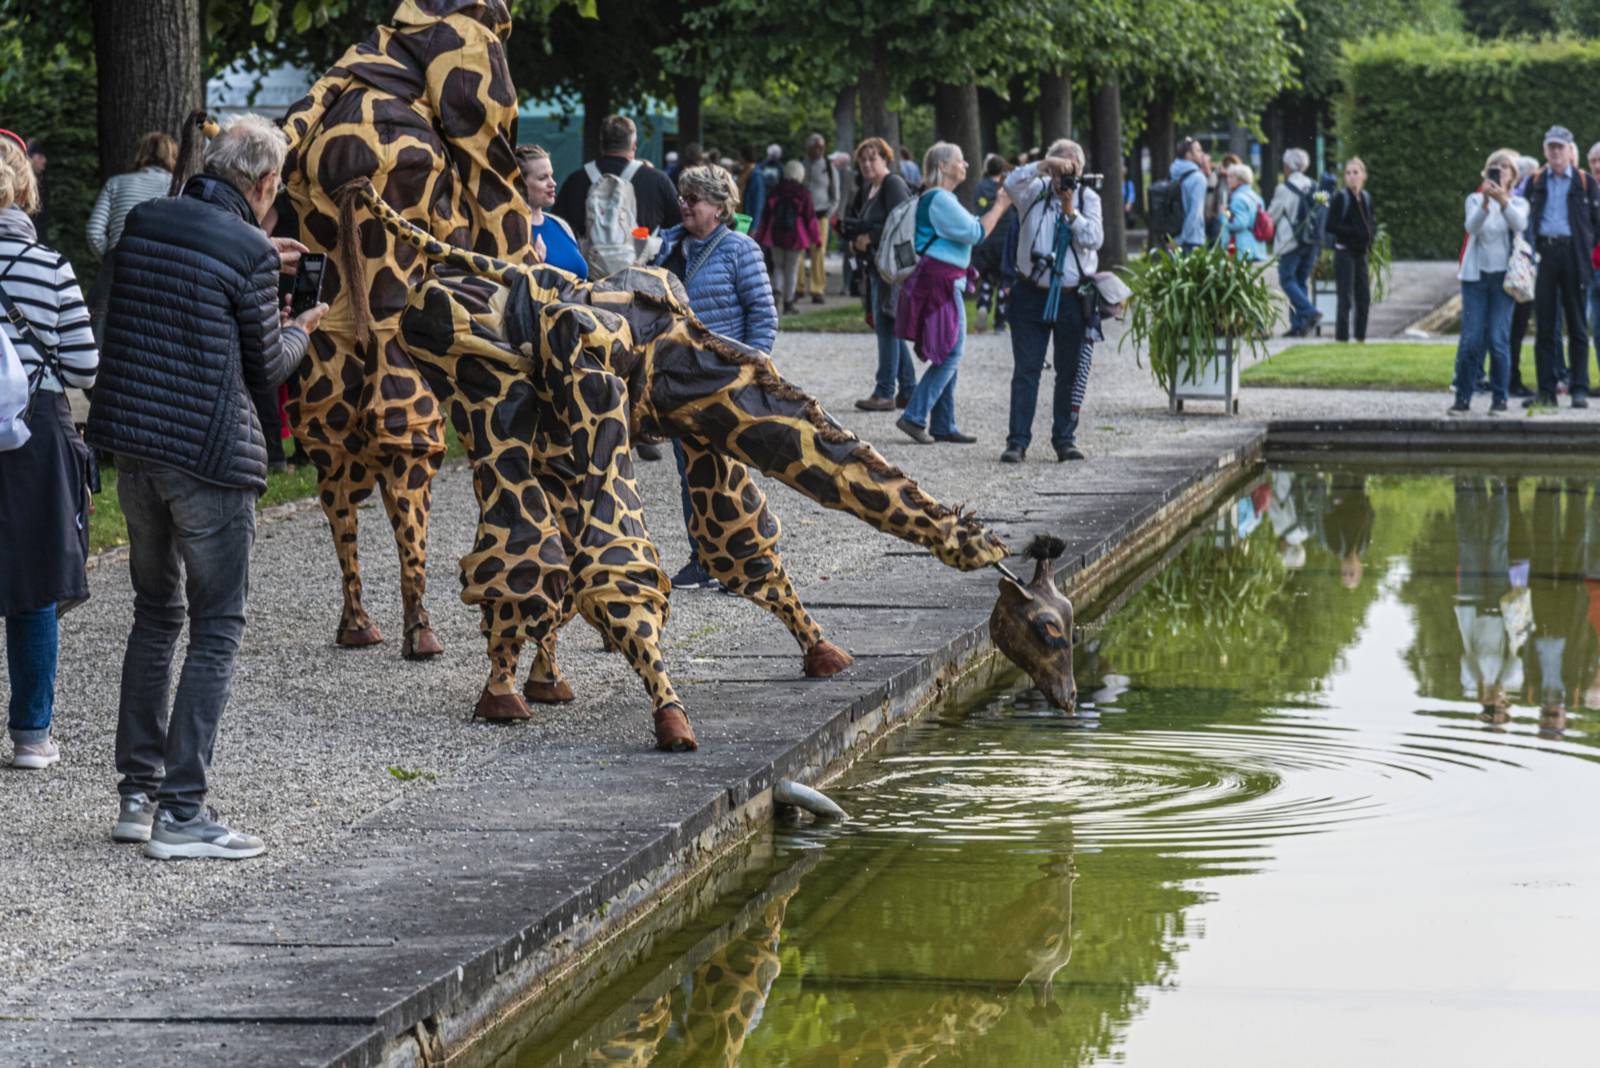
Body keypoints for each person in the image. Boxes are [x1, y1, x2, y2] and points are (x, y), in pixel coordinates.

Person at [86, 115, 327, 860]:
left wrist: (261, 262)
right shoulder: (251, 248)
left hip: (135, 451)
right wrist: (305, 324)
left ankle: (138, 796)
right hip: (210, 459)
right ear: (262, 185)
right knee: (216, 625)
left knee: (156, 615)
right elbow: (267, 368)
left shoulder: (148, 219)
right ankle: (183, 814)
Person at [0, 138, 98, 771]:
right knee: (34, 586)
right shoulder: (50, 267)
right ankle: (32, 737)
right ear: (24, 192)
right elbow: (86, 363)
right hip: (33, 434)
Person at [651, 164, 776, 589]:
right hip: (677, 380)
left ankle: (749, 557)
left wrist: (752, 369)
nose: (683, 205)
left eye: (693, 199)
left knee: (728, 473)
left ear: (720, 208)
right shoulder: (669, 245)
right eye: (682, 197)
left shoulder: (740, 249)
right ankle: (702, 559)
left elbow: (763, 314)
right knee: (691, 472)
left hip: (724, 380)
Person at [894, 142, 1012, 447]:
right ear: (943, 166)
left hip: (943, 279)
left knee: (948, 350)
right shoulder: (939, 199)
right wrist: (1000, 205)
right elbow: (976, 233)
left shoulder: (943, 199)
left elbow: (972, 226)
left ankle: (943, 423)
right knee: (952, 352)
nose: (966, 166)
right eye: (960, 161)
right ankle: (915, 416)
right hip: (941, 282)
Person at [999, 139, 1103, 464]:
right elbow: (1009, 182)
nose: (1064, 174)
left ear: (1081, 171)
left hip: (1072, 297)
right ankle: (1017, 442)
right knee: (1026, 369)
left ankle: (1064, 439)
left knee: (1068, 371)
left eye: (1071, 168)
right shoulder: (1033, 191)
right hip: (1030, 293)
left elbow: (1094, 239)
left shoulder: (1088, 198)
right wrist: (1044, 167)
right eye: (1060, 166)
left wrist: (1071, 211)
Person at [1525, 126, 1600, 409]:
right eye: (1551, 147)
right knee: (1545, 326)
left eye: (1561, 147)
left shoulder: (1584, 182)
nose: (1556, 152)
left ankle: (1579, 388)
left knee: (1578, 326)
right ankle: (1546, 389)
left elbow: (1597, 224)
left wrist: (1584, 252)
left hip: (1573, 256)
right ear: (1545, 151)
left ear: (1570, 151)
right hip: (1544, 254)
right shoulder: (1536, 181)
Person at [1450, 148, 1527, 416]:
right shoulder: (1474, 199)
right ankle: (1462, 395)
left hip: (1503, 280)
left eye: (1505, 167)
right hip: (1476, 278)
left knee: (1498, 339)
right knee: (1471, 339)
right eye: (1495, 166)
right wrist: (1485, 203)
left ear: (1513, 175)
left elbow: (1519, 223)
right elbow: (1472, 227)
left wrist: (1503, 201)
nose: (1500, 170)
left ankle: (1500, 397)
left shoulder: (1518, 202)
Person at [841, 138, 915, 411]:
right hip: (875, 266)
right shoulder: (867, 189)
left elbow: (903, 220)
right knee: (887, 325)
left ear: (886, 159)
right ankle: (908, 389)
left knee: (886, 326)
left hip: (891, 268)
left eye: (874, 158)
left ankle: (885, 391)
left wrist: (869, 237)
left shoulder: (892, 184)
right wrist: (854, 239)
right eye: (863, 160)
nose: (868, 164)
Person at [86, 131, 177, 348]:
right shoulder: (177, 187)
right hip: (160, 261)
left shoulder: (116, 183)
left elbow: (94, 230)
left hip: (119, 258)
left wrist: (110, 256)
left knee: (103, 321)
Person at [552, 114, 682, 237]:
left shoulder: (575, 181)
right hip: (645, 260)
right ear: (634, 146)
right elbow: (678, 226)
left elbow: (558, 227)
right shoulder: (658, 180)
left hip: (588, 260)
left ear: (601, 145)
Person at [754, 159, 821, 315]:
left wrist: (760, 236)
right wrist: (816, 239)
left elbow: (765, 216)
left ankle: (776, 294)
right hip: (796, 237)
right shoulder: (803, 193)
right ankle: (788, 303)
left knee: (777, 267)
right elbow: (810, 218)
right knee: (792, 269)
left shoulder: (776, 191)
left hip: (775, 235)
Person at [1268, 147, 1321, 337]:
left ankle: (1308, 311)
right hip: (1311, 241)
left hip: (1291, 241)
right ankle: (1299, 326)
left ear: (1287, 166)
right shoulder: (1314, 185)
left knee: (1287, 279)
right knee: (1300, 281)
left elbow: (1272, 216)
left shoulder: (1284, 188)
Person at [516, 144, 587, 279]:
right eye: (543, 178)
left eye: (551, 176)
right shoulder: (512, 231)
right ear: (519, 183)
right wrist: (535, 266)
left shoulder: (560, 225)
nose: (553, 183)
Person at [1326, 157, 1375, 343]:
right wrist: (1354, 233)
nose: (1352, 176)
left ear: (1363, 175)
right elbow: (1331, 225)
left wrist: (1370, 236)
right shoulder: (1341, 198)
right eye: (1348, 173)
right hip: (1344, 251)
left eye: (1356, 172)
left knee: (1364, 296)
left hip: (1361, 252)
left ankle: (1361, 336)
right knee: (1345, 297)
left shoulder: (1366, 198)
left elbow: (1371, 221)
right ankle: (1342, 338)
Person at [1509, 153, 1541, 397]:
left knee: (1515, 328)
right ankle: (1510, 379)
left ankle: (1511, 378)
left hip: (1522, 268)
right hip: (1518, 269)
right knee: (1513, 328)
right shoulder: (1522, 199)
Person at [801, 133, 837, 304]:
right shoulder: (802, 165)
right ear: (808, 148)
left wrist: (830, 212)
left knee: (819, 252)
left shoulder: (829, 166)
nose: (819, 150)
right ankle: (798, 287)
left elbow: (836, 195)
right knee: (798, 252)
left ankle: (817, 288)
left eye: (821, 146)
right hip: (801, 216)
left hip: (821, 214)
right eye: (815, 146)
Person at [1223, 163, 1268, 262]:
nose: (1228, 180)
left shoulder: (1238, 198)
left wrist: (1223, 216)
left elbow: (1240, 223)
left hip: (1242, 247)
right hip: (1257, 244)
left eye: (1231, 177)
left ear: (1241, 180)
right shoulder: (1256, 197)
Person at [1169, 136, 1207, 253]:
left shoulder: (1174, 171)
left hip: (1173, 235)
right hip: (1192, 239)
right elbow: (1195, 213)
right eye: (1198, 150)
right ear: (1188, 155)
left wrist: (1174, 240)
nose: (1202, 154)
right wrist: (1181, 240)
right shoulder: (1198, 178)